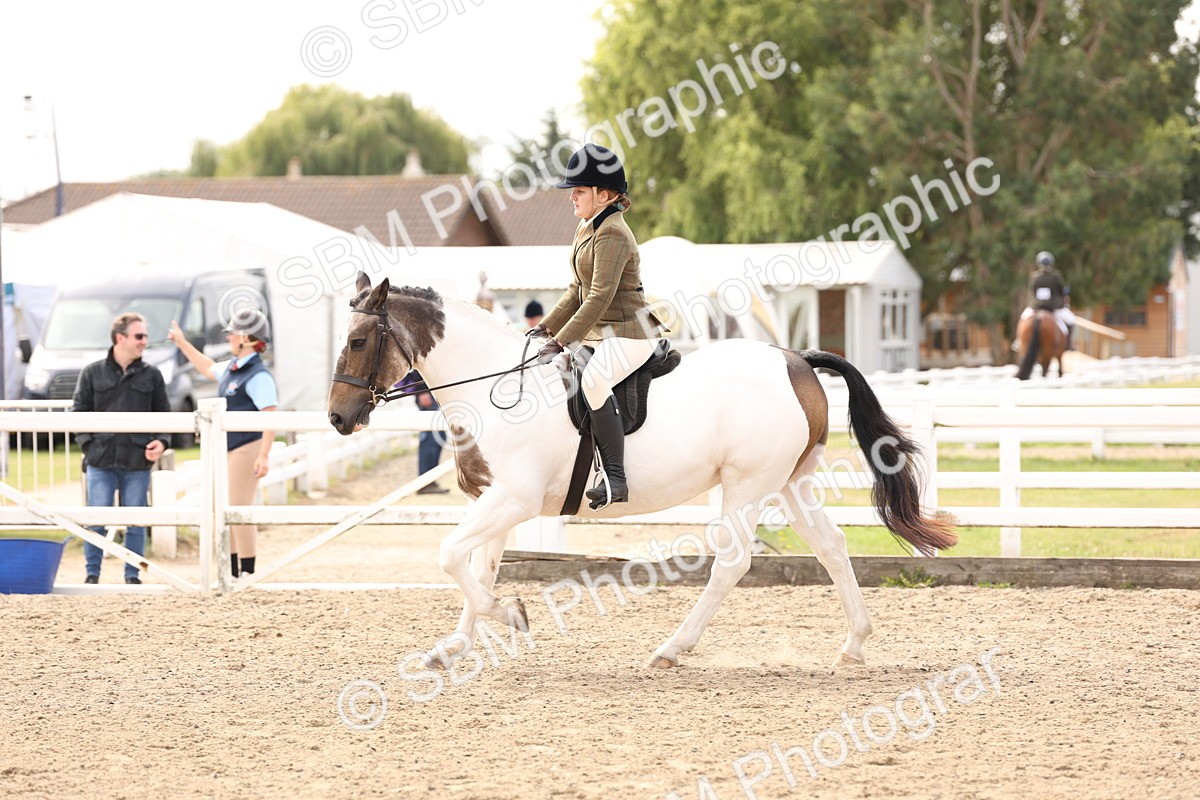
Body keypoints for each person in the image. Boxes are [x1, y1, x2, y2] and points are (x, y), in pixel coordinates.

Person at [530, 143, 666, 510]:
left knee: (593, 380)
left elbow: (599, 297)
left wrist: (561, 340)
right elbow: (577, 288)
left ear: (604, 194)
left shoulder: (614, 234)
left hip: (630, 332)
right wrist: (543, 329)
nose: (571, 196)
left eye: (579, 190)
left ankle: (616, 478)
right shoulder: (587, 227)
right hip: (602, 333)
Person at [168, 309, 277, 577]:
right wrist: (183, 344)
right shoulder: (231, 368)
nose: (229, 337)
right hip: (226, 447)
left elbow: (270, 415)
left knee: (238, 506)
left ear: (248, 339)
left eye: (234, 334)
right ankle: (232, 570)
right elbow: (205, 366)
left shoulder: (258, 376)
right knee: (222, 507)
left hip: (246, 446)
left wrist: (263, 454)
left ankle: (247, 570)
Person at [73, 312, 171, 584]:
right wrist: (89, 447)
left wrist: (161, 442)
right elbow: (78, 412)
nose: (144, 342)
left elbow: (164, 414)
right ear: (120, 338)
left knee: (136, 521)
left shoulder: (153, 375)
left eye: (145, 336)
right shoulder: (92, 372)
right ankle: (92, 576)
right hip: (100, 461)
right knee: (96, 519)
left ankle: (132, 575)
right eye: (139, 336)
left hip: (137, 461)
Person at [396, 370, 450, 494]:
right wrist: (422, 391)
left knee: (437, 437)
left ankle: (429, 480)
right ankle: (425, 482)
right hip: (426, 394)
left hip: (430, 392)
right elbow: (421, 368)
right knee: (431, 438)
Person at [1023, 250, 1076, 350]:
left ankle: (1018, 341)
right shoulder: (1056, 275)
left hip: (1037, 307)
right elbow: (1061, 291)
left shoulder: (1034, 276)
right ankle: (1068, 343)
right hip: (1053, 307)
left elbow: (1032, 292)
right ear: (1051, 263)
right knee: (1071, 320)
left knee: (1023, 318)